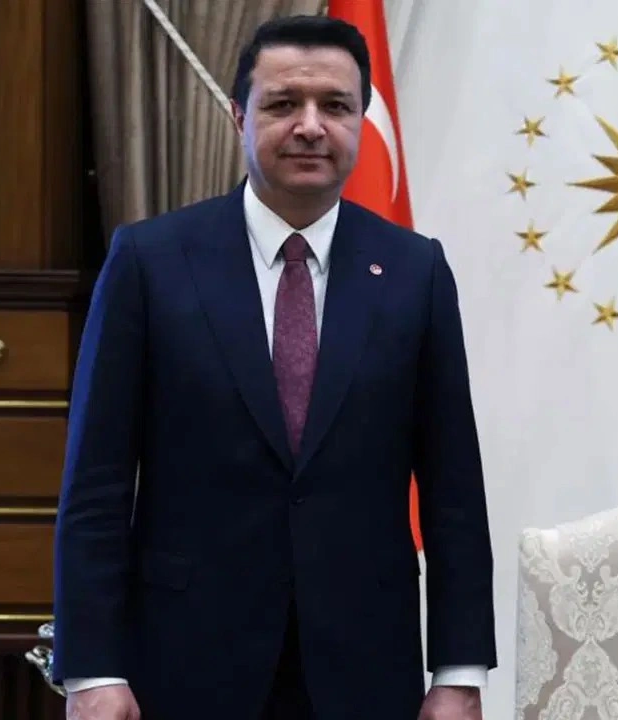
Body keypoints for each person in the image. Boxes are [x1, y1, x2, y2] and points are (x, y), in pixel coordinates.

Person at [50, 15, 496, 720]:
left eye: (335, 106)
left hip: (364, 664)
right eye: (284, 104)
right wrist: (91, 669)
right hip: (185, 660)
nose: (310, 126)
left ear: (360, 120)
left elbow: (453, 493)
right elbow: (96, 486)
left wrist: (459, 671)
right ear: (239, 116)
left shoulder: (415, 271)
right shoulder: (150, 261)